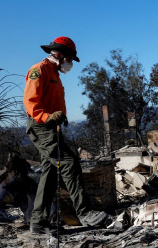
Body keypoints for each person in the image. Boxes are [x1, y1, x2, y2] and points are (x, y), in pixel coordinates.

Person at [23, 36, 109, 234]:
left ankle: (38, 222)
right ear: (59, 55)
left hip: (51, 127)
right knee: (69, 162)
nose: (70, 64)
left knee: (50, 172)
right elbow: (31, 102)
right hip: (40, 126)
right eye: (69, 59)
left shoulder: (54, 73)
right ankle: (85, 212)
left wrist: (59, 118)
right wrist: (47, 117)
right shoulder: (39, 70)